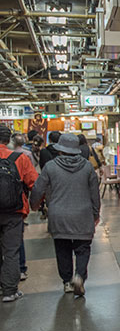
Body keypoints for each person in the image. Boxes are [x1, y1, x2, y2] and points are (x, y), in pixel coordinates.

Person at [30, 134, 100, 297]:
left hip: (58, 215)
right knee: (83, 249)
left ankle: (67, 282)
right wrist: (95, 213)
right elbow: (94, 194)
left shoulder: (50, 167)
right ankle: (79, 276)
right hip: (82, 215)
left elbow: (38, 189)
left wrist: (34, 206)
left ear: (60, 150)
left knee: (62, 249)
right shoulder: (87, 167)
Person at [0, 124, 37, 303]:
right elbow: (33, 183)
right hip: (14, 211)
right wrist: (37, 203)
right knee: (11, 250)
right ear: (8, 140)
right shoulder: (19, 158)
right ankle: (9, 291)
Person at [10, 133, 31, 281]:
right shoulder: (21, 157)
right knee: (15, 241)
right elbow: (32, 181)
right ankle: (20, 270)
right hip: (15, 206)